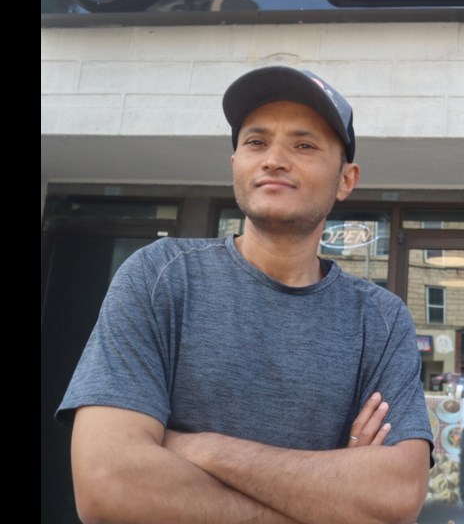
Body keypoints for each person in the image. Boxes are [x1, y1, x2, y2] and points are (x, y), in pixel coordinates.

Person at [56, 66, 434, 524]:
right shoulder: (161, 277)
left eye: (304, 144)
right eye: (255, 142)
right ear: (235, 163)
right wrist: (329, 501)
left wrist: (202, 448)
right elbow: (108, 487)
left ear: (346, 179)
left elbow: (395, 497)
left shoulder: (380, 319)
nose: (273, 159)